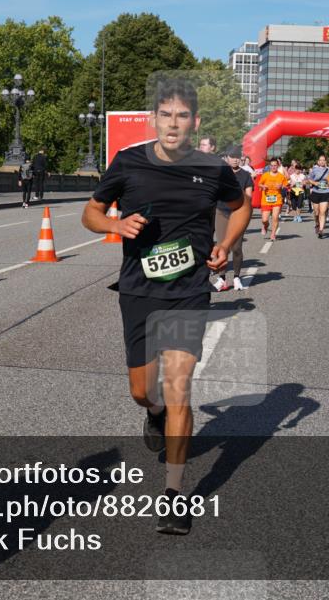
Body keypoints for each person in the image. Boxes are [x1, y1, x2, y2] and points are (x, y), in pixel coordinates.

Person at [81, 78, 248, 535]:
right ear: (154, 119)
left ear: (194, 122)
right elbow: (90, 212)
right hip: (139, 289)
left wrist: (227, 244)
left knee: (178, 388)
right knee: (143, 391)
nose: (173, 124)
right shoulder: (128, 162)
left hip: (189, 290)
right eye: (166, 115)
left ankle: (174, 495)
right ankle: (152, 414)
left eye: (182, 116)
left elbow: (240, 207)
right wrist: (115, 225)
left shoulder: (213, 169)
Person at [213, 147, 254, 292]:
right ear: (227, 158)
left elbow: (249, 197)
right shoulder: (220, 173)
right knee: (221, 246)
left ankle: (236, 277)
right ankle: (221, 278)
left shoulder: (246, 175)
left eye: (237, 157)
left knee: (236, 248)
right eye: (232, 157)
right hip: (221, 211)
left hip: (238, 213)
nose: (235, 159)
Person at [259, 158, 289, 241]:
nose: (273, 167)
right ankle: (265, 225)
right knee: (264, 220)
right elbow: (259, 184)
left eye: (275, 165)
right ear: (269, 166)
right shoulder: (265, 175)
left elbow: (286, 185)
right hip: (266, 200)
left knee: (275, 217)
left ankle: (273, 234)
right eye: (272, 165)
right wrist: (263, 186)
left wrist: (281, 186)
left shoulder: (281, 176)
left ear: (278, 166)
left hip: (277, 199)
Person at [305, 155, 329, 239]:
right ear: (318, 161)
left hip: (325, 192)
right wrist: (314, 183)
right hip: (316, 192)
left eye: (324, 160)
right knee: (316, 213)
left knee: (322, 212)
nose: (322, 162)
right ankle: (317, 223)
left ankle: (321, 230)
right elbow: (309, 179)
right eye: (321, 160)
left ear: (326, 161)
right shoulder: (314, 170)